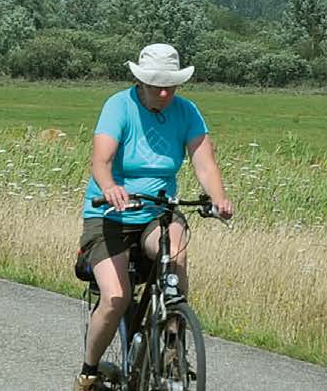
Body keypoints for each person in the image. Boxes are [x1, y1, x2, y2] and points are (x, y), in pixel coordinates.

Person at [74, 43, 235, 390]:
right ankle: (88, 371)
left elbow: (204, 162)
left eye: (170, 85)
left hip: (156, 213)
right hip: (110, 216)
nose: (164, 92)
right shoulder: (119, 106)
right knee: (116, 298)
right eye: (156, 84)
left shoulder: (187, 111)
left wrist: (219, 199)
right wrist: (112, 188)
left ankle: (173, 340)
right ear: (141, 81)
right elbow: (101, 160)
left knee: (176, 248)